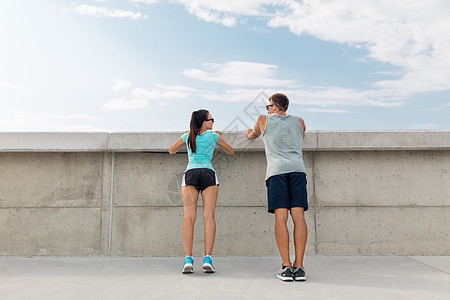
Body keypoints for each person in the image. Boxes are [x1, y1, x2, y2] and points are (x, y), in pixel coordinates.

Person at [246, 93, 308, 282]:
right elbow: (299, 136)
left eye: (268, 106)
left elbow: (253, 134)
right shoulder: (300, 121)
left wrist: (249, 132)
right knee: (298, 216)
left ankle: (286, 266)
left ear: (273, 107)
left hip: (277, 172)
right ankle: (299, 266)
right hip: (298, 170)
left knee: (281, 218)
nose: (267, 109)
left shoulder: (263, 120)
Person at [169, 109, 234, 274]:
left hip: (190, 174)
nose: (213, 122)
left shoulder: (188, 136)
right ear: (205, 122)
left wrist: (186, 135)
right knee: (208, 217)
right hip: (208, 173)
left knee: (189, 218)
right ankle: (207, 258)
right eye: (211, 120)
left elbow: (171, 150)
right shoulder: (213, 136)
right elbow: (230, 151)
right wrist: (217, 136)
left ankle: (188, 259)